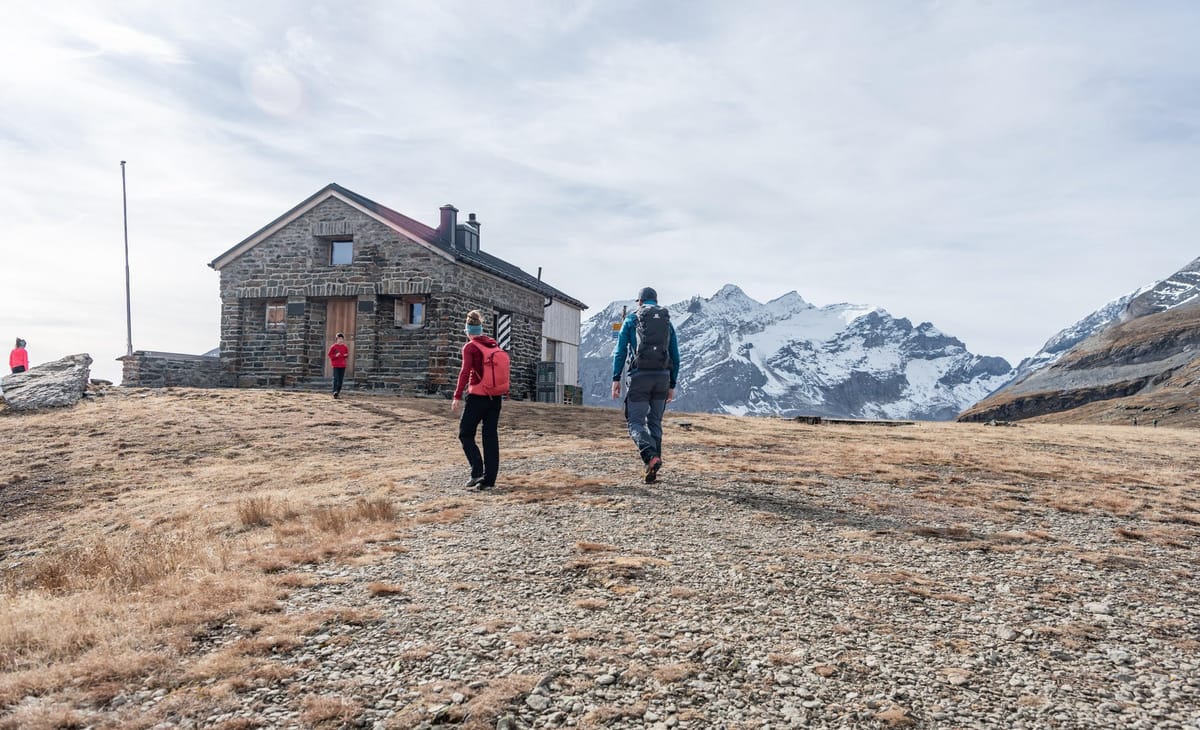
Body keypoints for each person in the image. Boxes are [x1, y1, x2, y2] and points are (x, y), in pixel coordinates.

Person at [611, 287, 680, 484]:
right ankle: (652, 469)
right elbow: (676, 356)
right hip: (662, 378)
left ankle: (650, 457)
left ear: (640, 302)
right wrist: (671, 383)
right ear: (655, 301)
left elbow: (620, 351)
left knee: (635, 422)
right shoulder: (667, 323)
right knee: (655, 422)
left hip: (639, 377)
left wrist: (616, 378)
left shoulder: (632, 320)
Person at [327, 333, 349, 398]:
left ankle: (338, 392)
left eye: (341, 339)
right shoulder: (333, 347)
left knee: (340, 380)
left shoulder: (345, 347)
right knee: (336, 378)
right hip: (336, 365)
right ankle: (335, 391)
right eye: (339, 339)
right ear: (336, 339)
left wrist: (345, 355)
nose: (340, 340)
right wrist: (335, 356)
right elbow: (330, 355)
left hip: (342, 365)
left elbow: (346, 355)